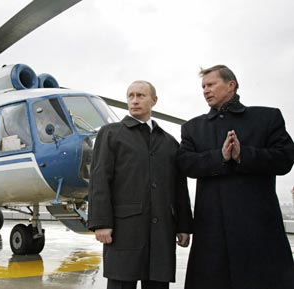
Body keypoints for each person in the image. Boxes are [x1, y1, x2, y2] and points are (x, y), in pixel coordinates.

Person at [177, 64, 294, 289]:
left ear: (231, 85)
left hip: (258, 228)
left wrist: (244, 155)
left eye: (211, 84)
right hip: (212, 230)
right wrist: (219, 157)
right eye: (203, 86)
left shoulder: (267, 117)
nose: (205, 90)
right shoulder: (192, 128)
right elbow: (185, 164)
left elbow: (285, 159)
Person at [88, 80, 193, 289]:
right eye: (131, 96)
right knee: (121, 282)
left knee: (157, 283)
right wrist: (101, 222)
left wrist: (183, 226)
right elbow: (99, 180)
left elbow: (179, 188)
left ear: (154, 100)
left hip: (162, 230)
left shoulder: (169, 143)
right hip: (123, 229)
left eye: (141, 96)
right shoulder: (110, 134)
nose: (134, 101)